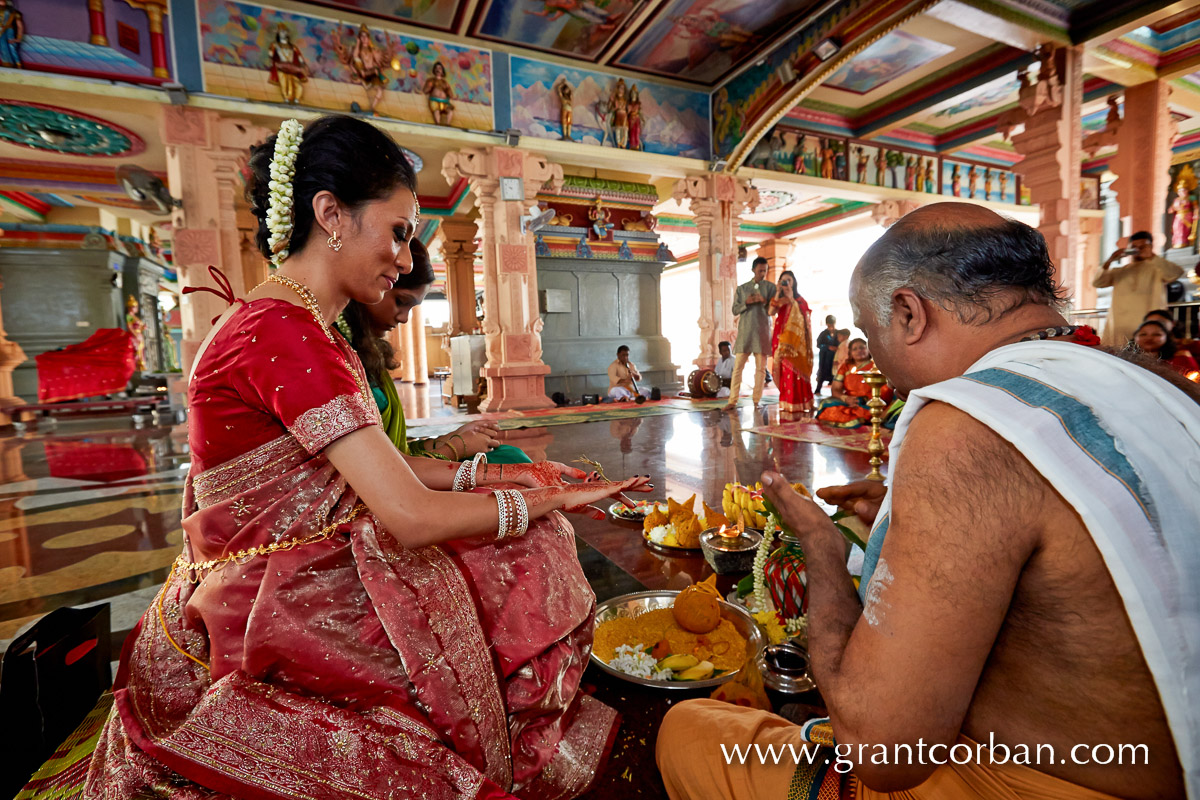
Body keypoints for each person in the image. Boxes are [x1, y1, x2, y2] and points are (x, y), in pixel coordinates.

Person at [84, 115, 651, 800]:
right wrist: (546, 502)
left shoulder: (305, 325)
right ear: (332, 215)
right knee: (527, 552)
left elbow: (390, 467)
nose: (407, 259)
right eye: (401, 230)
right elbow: (409, 514)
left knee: (519, 547)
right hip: (266, 591)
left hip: (294, 555)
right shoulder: (282, 330)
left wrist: (518, 475)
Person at [657, 202, 1199, 800]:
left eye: (871, 334)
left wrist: (821, 550)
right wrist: (906, 510)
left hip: (1037, 781)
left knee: (687, 731)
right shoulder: (1157, 381)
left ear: (910, 313)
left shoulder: (970, 424)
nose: (878, 365)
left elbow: (885, 753)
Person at [339, 238, 531, 464]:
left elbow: (396, 447)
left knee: (509, 455)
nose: (403, 318)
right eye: (401, 301)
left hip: (396, 464)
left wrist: (454, 437)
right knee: (511, 464)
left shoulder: (362, 348)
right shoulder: (333, 352)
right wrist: (455, 447)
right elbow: (376, 467)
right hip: (385, 479)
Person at [1093, 231, 1183, 346]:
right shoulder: (1120, 271)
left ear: (1150, 247)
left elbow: (1176, 273)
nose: (1138, 250)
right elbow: (1098, 283)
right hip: (1119, 324)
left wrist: (1152, 256)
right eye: (1134, 247)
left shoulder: (1157, 269)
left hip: (1146, 324)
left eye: (1142, 247)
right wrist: (1109, 261)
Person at [725, 257, 776, 410]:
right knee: (738, 368)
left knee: (761, 369)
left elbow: (774, 310)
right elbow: (734, 310)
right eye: (760, 270)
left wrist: (765, 301)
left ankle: (756, 400)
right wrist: (746, 302)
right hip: (746, 332)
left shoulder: (770, 288)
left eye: (765, 271)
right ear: (753, 270)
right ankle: (732, 401)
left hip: (762, 332)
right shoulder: (742, 289)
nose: (762, 273)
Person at [814, 338, 893, 427]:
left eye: (862, 348)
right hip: (849, 402)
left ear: (868, 350)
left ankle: (866, 417)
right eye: (855, 349)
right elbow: (835, 389)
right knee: (826, 404)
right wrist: (845, 398)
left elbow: (887, 389)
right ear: (850, 353)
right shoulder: (845, 367)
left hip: (871, 402)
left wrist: (866, 400)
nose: (859, 350)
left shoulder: (877, 365)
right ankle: (863, 419)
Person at [768, 270, 814, 416]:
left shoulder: (800, 300)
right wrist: (777, 292)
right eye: (783, 280)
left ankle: (799, 403)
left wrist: (791, 299)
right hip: (780, 341)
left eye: (788, 280)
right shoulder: (779, 299)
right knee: (782, 371)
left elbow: (804, 318)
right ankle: (786, 401)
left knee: (794, 371)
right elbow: (770, 312)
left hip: (796, 344)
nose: (786, 283)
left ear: (794, 282)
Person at [1133, 319, 1200, 375]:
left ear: (1167, 337)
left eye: (1157, 334)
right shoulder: (1127, 359)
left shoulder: (1181, 357)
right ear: (1134, 337)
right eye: (1143, 334)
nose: (1149, 338)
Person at [814, 315, 838, 394]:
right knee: (822, 373)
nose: (831, 326)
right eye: (829, 324)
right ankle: (818, 390)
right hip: (825, 358)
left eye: (832, 324)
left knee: (835, 374)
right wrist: (828, 347)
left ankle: (836, 392)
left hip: (835, 358)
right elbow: (818, 344)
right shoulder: (823, 334)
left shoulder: (838, 333)